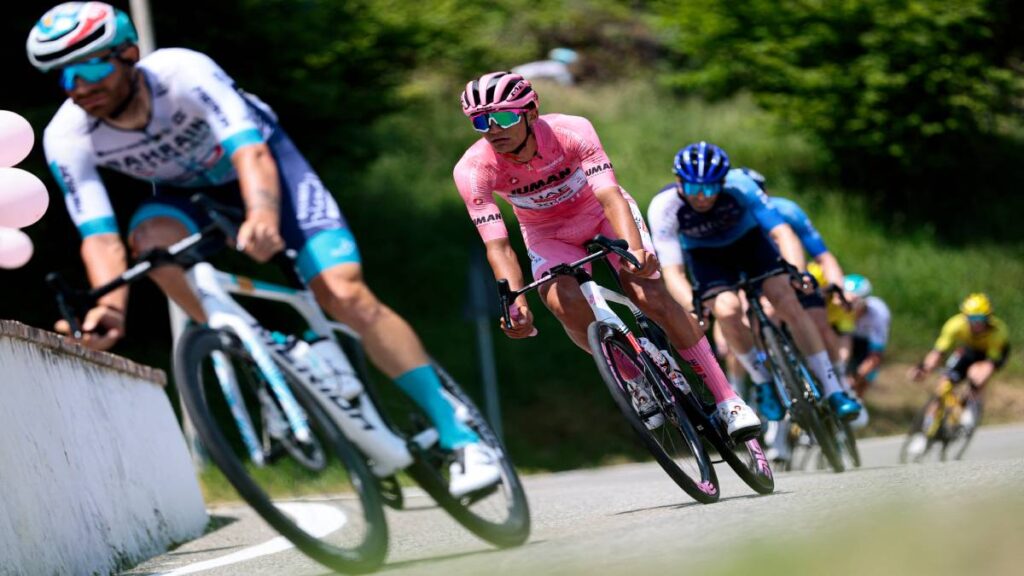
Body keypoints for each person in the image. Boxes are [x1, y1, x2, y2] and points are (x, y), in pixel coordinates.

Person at [29, 1, 497, 496]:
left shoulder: (182, 72)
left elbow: (250, 151)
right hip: (189, 198)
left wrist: (263, 215)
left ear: (128, 54)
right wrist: (109, 309)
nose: (80, 87)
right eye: (64, 77)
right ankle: (257, 355)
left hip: (269, 171)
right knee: (151, 248)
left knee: (343, 294)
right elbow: (100, 236)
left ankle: (461, 435)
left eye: (90, 68)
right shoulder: (67, 135)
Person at [453, 72, 761, 440]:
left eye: (503, 117)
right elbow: (498, 246)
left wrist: (635, 251)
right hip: (547, 233)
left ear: (531, 112)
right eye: (480, 121)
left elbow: (610, 197)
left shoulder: (572, 131)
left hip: (600, 214)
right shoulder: (473, 169)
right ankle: (634, 378)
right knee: (560, 302)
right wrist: (514, 301)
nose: (492, 129)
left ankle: (728, 400)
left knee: (647, 292)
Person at [646, 142, 862, 431]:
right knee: (727, 311)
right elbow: (673, 272)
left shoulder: (740, 185)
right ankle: (763, 383)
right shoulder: (664, 207)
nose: (702, 196)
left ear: (722, 182)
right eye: (694, 187)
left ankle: (834, 389)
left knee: (786, 299)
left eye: (710, 188)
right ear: (678, 181)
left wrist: (796, 273)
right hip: (706, 257)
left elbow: (782, 233)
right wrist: (692, 306)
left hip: (750, 245)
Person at [907, 293, 1009, 443]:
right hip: (968, 350)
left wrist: (977, 381)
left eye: (980, 319)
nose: (976, 323)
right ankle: (925, 431)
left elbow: (989, 364)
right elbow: (938, 352)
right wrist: (924, 368)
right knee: (942, 386)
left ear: (988, 318)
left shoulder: (998, 332)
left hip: (991, 355)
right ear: (965, 316)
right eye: (972, 319)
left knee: (976, 376)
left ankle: (971, 412)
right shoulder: (955, 325)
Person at [511, 47, 578, 86]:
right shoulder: (560, 69)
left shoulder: (547, 64)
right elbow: (566, 83)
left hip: (516, 73)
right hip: (521, 79)